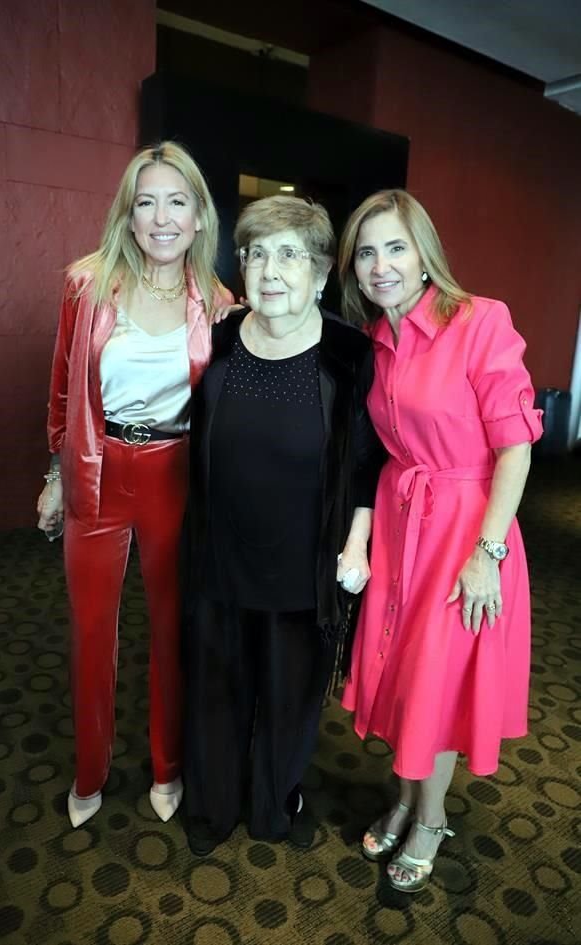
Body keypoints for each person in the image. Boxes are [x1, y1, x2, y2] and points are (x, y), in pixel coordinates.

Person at [338, 189, 543, 892]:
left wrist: (487, 553)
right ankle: (404, 796)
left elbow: (515, 451)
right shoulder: (374, 340)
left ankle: (429, 819)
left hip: (466, 529)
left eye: (396, 247)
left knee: (438, 684)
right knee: (403, 674)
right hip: (404, 524)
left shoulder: (480, 321)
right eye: (367, 252)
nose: (381, 264)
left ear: (426, 253)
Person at [36, 142, 232, 828]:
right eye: (145, 201)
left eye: (177, 201)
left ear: (201, 218)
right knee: (92, 630)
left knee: (173, 631)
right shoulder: (86, 286)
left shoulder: (218, 301)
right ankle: (89, 770)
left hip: (176, 477)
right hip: (99, 469)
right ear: (127, 215)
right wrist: (57, 474)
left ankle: (167, 763)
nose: (161, 217)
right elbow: (64, 388)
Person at [182, 195, 385, 856]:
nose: (269, 270)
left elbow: (364, 463)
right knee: (217, 690)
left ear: (322, 272)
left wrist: (358, 541)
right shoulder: (213, 339)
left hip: (305, 564)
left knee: (290, 695)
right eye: (255, 252)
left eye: (289, 254)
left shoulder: (350, 354)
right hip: (220, 555)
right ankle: (213, 804)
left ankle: (275, 802)